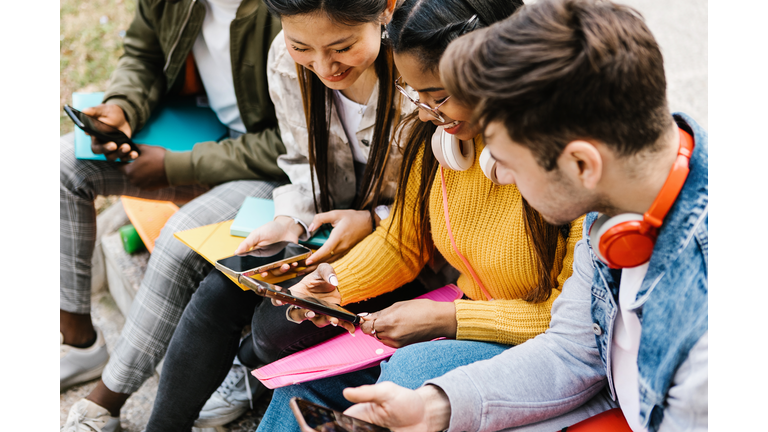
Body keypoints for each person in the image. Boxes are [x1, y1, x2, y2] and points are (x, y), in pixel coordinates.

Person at [340, 1, 708, 431]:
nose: (499, 172)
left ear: (582, 165)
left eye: (508, 160)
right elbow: (572, 350)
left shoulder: (708, 340)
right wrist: (434, 407)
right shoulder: (612, 206)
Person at [252, 0, 615, 431]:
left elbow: (571, 330)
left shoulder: (567, 171)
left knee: (411, 369)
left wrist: (449, 320)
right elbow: (401, 243)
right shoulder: (439, 140)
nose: (424, 112)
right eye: (412, 92)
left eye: (438, 96)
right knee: (297, 389)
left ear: (497, 73)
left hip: (532, 346)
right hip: (466, 316)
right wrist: (335, 285)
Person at [139, 0, 458, 429]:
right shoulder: (285, 63)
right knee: (221, 290)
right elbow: (299, 158)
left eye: (342, 46)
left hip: (410, 248)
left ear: (385, 8)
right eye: (301, 45)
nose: (324, 66)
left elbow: (437, 200)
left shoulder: (420, 78)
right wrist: (294, 218)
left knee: (275, 328)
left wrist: (373, 220)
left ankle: (252, 366)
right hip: (328, 233)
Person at [60, 0, 287, 430]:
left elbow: (291, 141)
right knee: (65, 166)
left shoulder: (284, 13)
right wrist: (123, 108)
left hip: (270, 167)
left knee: (180, 235)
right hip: (203, 132)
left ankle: (105, 402)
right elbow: (142, 54)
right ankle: (79, 340)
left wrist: (174, 167)